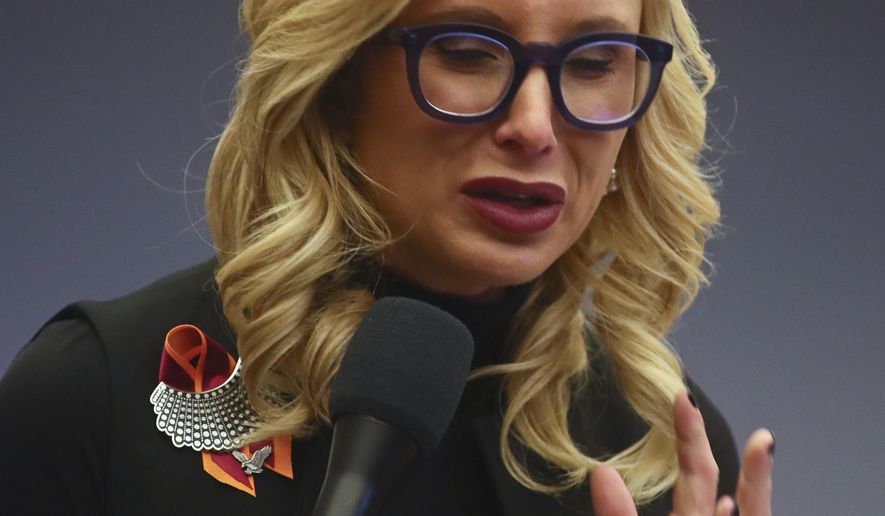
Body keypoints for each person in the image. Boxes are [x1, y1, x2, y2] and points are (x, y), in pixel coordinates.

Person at [0, 0, 774, 514]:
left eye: (595, 61)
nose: (536, 127)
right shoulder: (96, 393)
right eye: (469, 52)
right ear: (338, 80)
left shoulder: (661, 447)